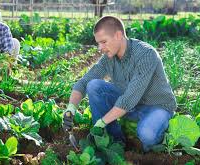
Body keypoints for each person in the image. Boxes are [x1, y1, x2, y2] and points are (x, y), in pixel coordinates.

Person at [62, 16, 176, 152]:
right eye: (98, 43)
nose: (100, 48)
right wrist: (71, 108)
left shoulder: (146, 54)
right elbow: (84, 82)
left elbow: (128, 99)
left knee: (147, 134)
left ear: (118, 35)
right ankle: (114, 141)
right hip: (130, 107)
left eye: (104, 42)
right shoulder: (109, 58)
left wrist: (102, 122)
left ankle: (157, 137)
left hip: (157, 106)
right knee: (93, 86)